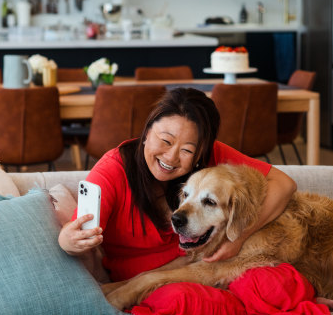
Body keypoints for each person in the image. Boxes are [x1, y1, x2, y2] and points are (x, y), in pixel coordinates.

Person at [58, 87, 297, 282]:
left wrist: (240, 238)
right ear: (147, 132)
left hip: (198, 270)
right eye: (165, 140)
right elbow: (80, 232)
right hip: (146, 282)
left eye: (186, 150)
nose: (171, 157)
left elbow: (284, 184)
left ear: (200, 153)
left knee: (267, 284)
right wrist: (67, 242)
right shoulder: (113, 169)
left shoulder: (209, 158)